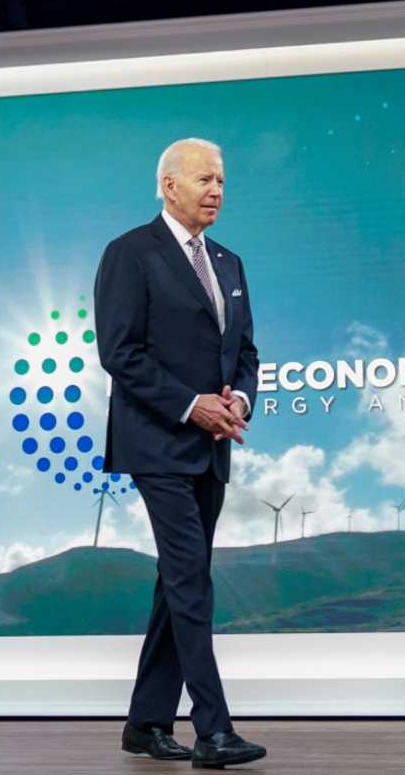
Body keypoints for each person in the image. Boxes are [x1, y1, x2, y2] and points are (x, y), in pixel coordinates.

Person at [94, 138, 265, 769]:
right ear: (169, 186)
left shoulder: (230, 262)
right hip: (158, 441)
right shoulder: (130, 254)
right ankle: (213, 730)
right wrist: (191, 404)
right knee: (191, 576)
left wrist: (238, 403)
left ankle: (144, 724)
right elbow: (120, 352)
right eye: (204, 179)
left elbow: (244, 353)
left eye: (221, 180)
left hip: (214, 444)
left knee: (176, 582)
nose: (217, 190)